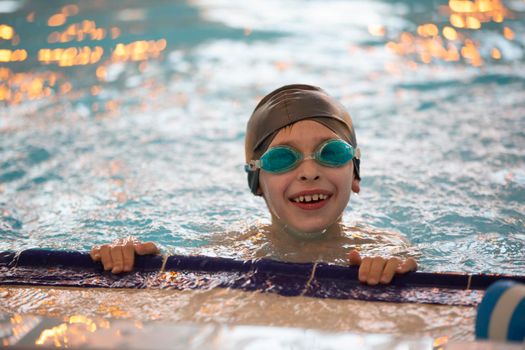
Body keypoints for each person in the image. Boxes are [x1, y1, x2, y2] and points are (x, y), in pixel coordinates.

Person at [91, 84, 417, 285]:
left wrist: (391, 263)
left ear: (355, 174)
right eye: (282, 159)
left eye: (331, 153)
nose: (309, 172)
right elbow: (177, 273)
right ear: (257, 182)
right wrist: (135, 254)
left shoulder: (382, 245)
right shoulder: (234, 245)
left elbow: (404, 261)